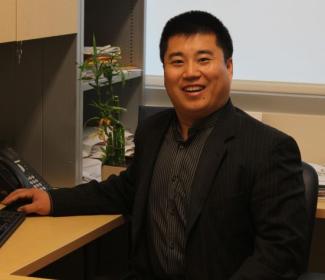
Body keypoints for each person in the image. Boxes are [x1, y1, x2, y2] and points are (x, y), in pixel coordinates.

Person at [2, 10, 308, 280]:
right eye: (177, 61)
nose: (190, 72)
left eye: (203, 59)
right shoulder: (153, 131)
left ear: (228, 67)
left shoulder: (268, 148)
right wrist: (52, 200)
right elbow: (123, 191)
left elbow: (280, 256)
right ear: (165, 71)